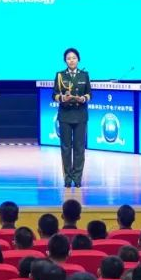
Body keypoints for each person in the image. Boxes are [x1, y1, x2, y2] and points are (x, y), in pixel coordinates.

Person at [54, 48, 91, 188]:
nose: (71, 60)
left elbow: (89, 94)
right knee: (66, 148)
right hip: (65, 115)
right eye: (69, 58)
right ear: (65, 61)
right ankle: (68, 179)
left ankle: (78, 178)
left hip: (80, 115)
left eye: (74, 58)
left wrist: (83, 98)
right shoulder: (60, 75)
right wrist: (63, 98)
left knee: (79, 148)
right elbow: (54, 95)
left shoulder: (84, 75)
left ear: (78, 60)